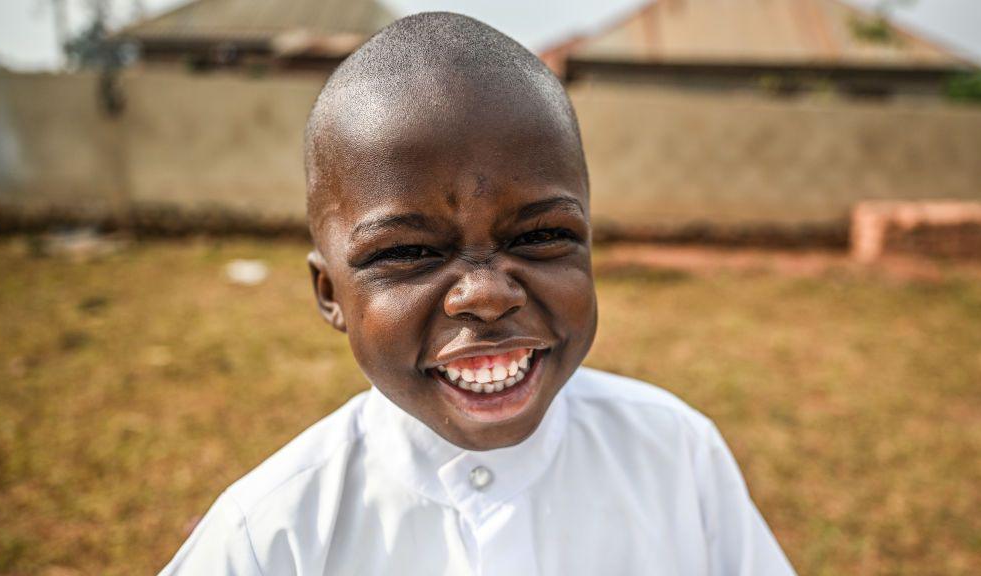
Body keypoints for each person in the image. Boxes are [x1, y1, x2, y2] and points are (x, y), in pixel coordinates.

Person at [160, 12, 796, 576]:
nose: (486, 295)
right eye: (406, 252)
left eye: (544, 235)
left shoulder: (675, 454)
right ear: (329, 293)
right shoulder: (272, 535)